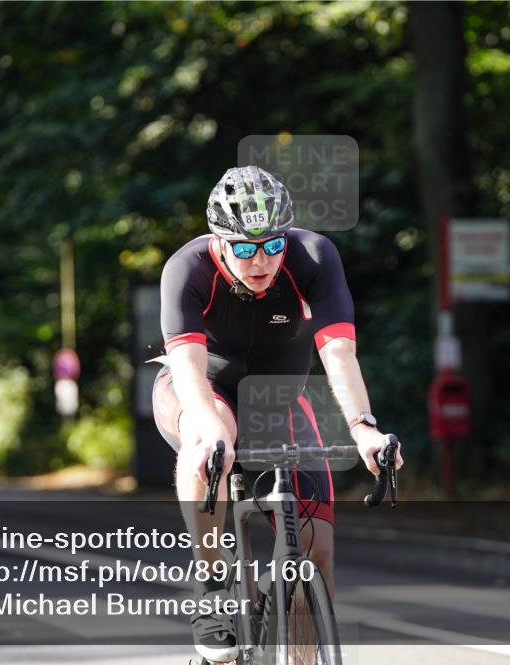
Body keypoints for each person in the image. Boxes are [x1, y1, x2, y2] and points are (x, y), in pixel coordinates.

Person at [153, 166, 404, 663]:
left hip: (280, 402)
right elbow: (187, 367)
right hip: (202, 390)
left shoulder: (314, 256)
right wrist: (212, 432)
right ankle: (211, 586)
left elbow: (338, 353)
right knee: (208, 438)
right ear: (219, 241)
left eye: (272, 244)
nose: (261, 260)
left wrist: (363, 428)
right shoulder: (187, 268)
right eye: (244, 248)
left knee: (318, 553)